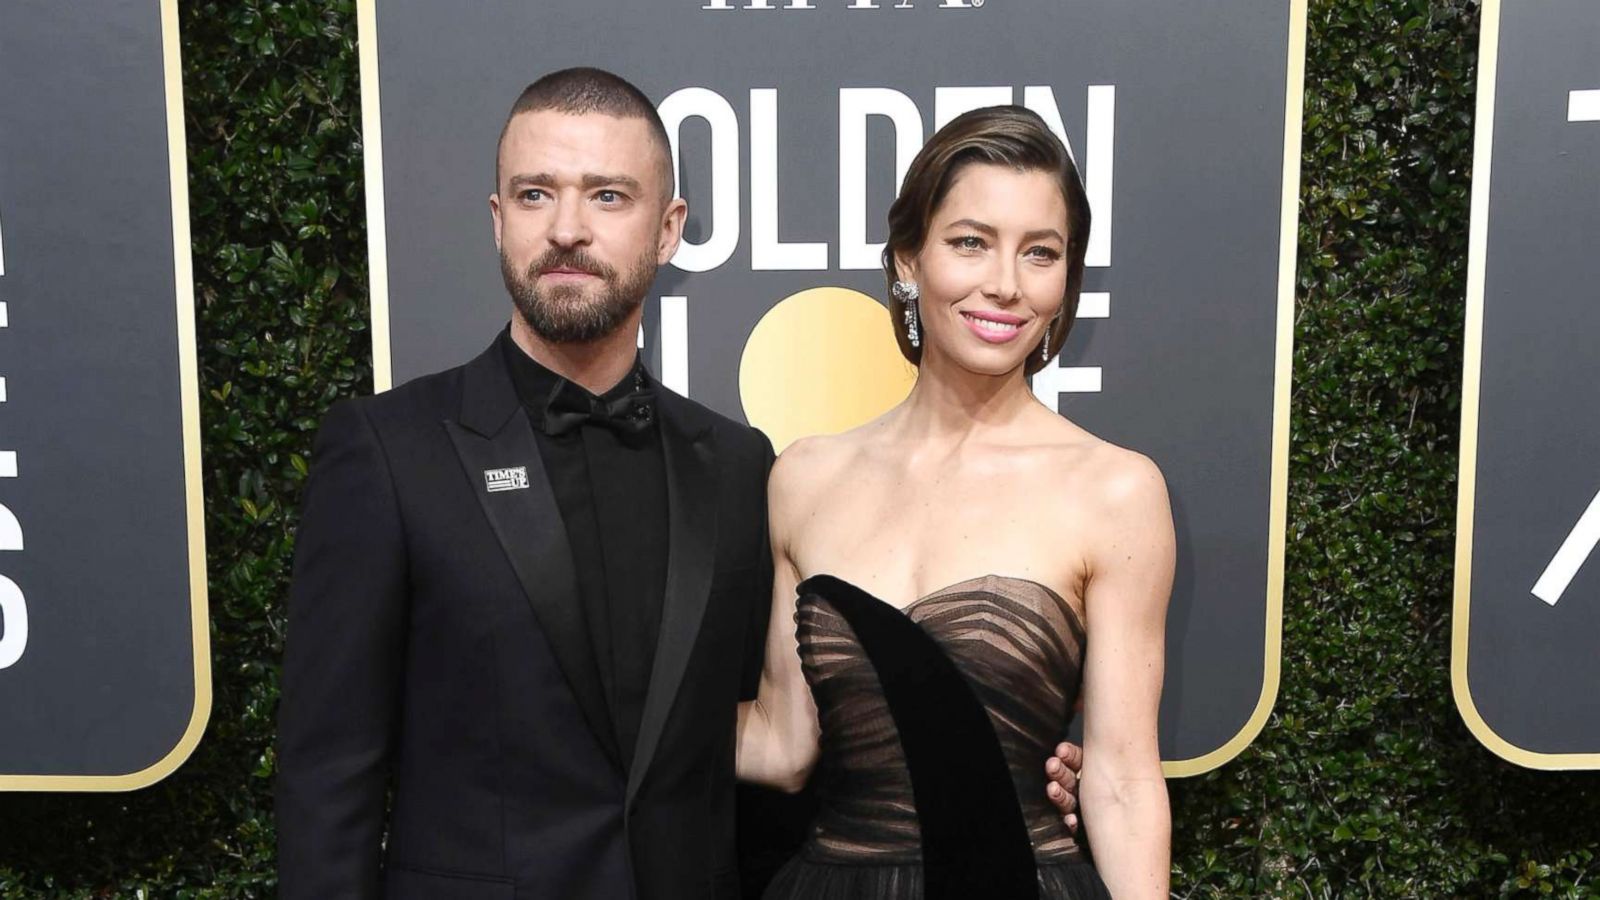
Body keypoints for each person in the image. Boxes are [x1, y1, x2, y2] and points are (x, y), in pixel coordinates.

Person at [275, 69, 1083, 899]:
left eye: (608, 197)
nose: (566, 229)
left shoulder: (737, 468)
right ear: (497, 219)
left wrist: (1012, 766)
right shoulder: (387, 452)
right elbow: (328, 779)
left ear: (668, 230)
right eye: (534, 194)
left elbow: (781, 744)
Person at [736, 105, 1175, 899]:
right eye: (970, 242)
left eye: (1039, 253)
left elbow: (1119, 780)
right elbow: (780, 743)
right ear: (909, 258)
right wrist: (596, 705)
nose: (1004, 284)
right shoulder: (803, 477)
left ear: (1066, 279)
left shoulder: (1116, 491)